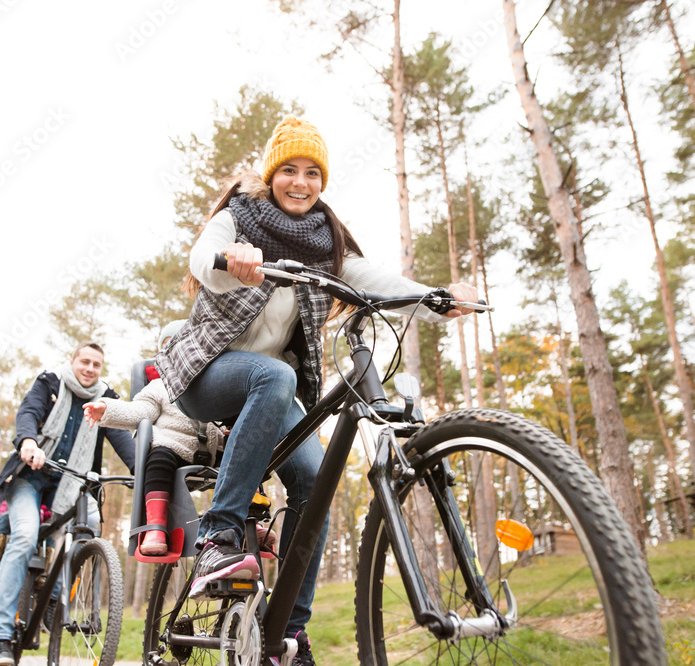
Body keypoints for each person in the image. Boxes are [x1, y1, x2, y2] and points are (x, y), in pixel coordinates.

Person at [154, 115, 477, 666]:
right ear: (271, 174)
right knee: (273, 374)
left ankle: (287, 636)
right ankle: (219, 540)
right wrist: (234, 259)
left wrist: (437, 298)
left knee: (316, 478)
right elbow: (200, 259)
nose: (300, 182)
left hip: (270, 394)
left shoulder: (325, 243)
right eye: (289, 171)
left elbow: (371, 278)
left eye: (312, 172)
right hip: (207, 374)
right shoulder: (239, 218)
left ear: (321, 181)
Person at [0, 341, 137, 665]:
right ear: (73, 361)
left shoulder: (106, 399)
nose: (90, 369)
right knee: (25, 535)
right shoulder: (50, 382)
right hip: (30, 479)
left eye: (97, 364)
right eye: (85, 361)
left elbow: (125, 442)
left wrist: (145, 474)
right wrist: (28, 441)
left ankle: (56, 598)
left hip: (72, 485)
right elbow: (28, 413)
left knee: (90, 528)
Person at [83, 320, 235, 557]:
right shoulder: (159, 386)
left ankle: (248, 519)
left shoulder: (215, 384)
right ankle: (156, 526)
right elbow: (139, 411)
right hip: (175, 446)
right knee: (159, 457)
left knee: (245, 455)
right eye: (168, 351)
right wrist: (108, 409)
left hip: (215, 451)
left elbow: (230, 415)